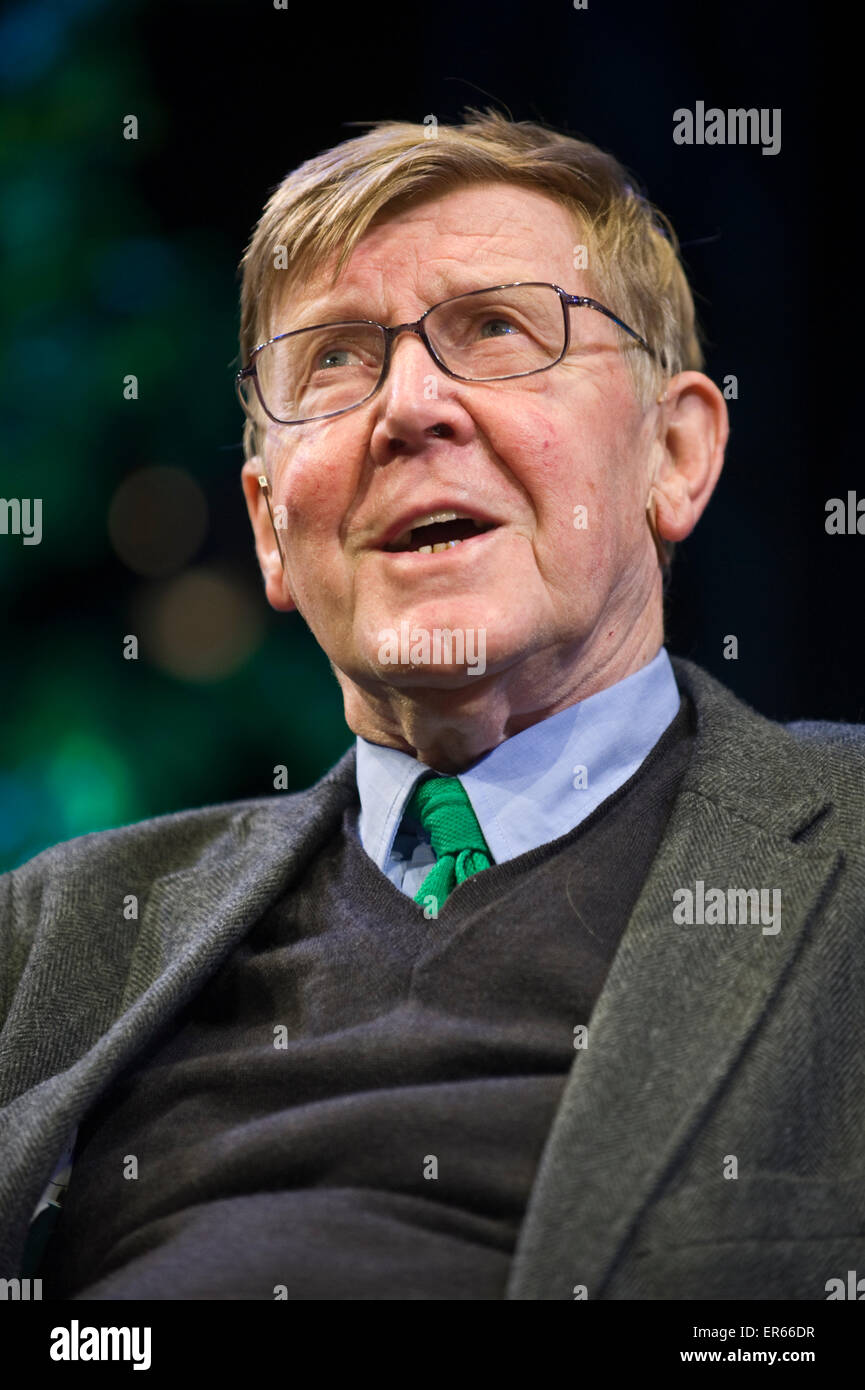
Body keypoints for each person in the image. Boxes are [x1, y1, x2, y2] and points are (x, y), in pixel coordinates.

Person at [1, 110, 863, 1302]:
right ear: (267, 525)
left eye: (499, 331)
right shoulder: (56, 933)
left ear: (674, 453)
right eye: (336, 360)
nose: (409, 407)